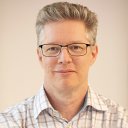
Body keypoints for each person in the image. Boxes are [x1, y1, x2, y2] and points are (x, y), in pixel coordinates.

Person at [0, 1, 128, 128]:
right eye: (53, 48)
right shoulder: (8, 122)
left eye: (76, 47)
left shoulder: (121, 121)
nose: (64, 59)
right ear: (40, 56)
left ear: (93, 54)